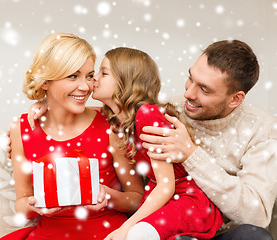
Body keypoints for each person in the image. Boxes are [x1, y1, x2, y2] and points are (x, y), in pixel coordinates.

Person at [0, 33, 144, 240]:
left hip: (107, 233)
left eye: (89, 75)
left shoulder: (110, 124)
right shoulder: (22, 128)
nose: (85, 87)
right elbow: (21, 205)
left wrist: (107, 195)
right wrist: (37, 206)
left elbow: (136, 199)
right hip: (49, 235)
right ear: (45, 82)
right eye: (73, 76)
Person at [139, 40, 277, 240]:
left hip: (225, 233)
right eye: (190, 78)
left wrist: (191, 154)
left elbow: (256, 216)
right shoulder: (172, 110)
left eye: (204, 89)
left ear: (235, 99)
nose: (188, 93)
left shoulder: (261, 131)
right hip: (177, 228)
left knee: (254, 237)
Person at [93, 47, 223, 240]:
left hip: (187, 201)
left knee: (136, 233)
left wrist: (125, 228)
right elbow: (75, 110)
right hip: (164, 199)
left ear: (125, 81)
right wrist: (44, 105)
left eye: (103, 73)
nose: (94, 78)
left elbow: (166, 186)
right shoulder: (119, 119)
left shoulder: (147, 115)